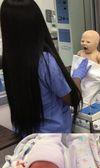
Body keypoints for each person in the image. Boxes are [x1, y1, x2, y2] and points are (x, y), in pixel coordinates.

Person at [0, 0, 91, 136]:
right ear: (37, 22)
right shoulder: (45, 61)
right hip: (53, 139)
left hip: (27, 138)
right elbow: (72, 100)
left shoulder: (10, 59)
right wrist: (77, 76)